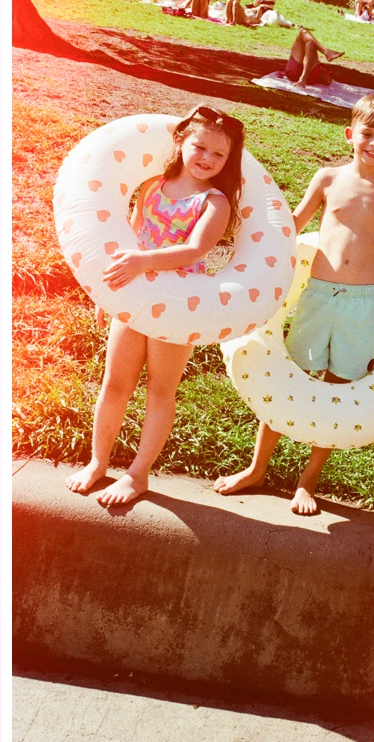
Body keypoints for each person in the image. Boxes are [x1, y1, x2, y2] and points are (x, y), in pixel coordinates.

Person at [214, 95, 374, 513]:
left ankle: (308, 481)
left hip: (361, 304)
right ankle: (256, 468)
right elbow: (292, 228)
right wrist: (245, 254)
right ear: (350, 134)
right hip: (318, 294)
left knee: (339, 388)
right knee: (289, 378)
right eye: (368, 134)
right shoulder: (327, 178)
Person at [65, 106, 244, 506]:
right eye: (200, 146)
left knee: (161, 390)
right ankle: (98, 462)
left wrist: (143, 263)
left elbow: (195, 248)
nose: (207, 159)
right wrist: (107, 297)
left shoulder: (214, 202)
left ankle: (138, 473)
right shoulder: (151, 187)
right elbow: (128, 235)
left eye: (219, 155)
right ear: (180, 140)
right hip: (134, 299)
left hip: (178, 307)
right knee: (115, 384)